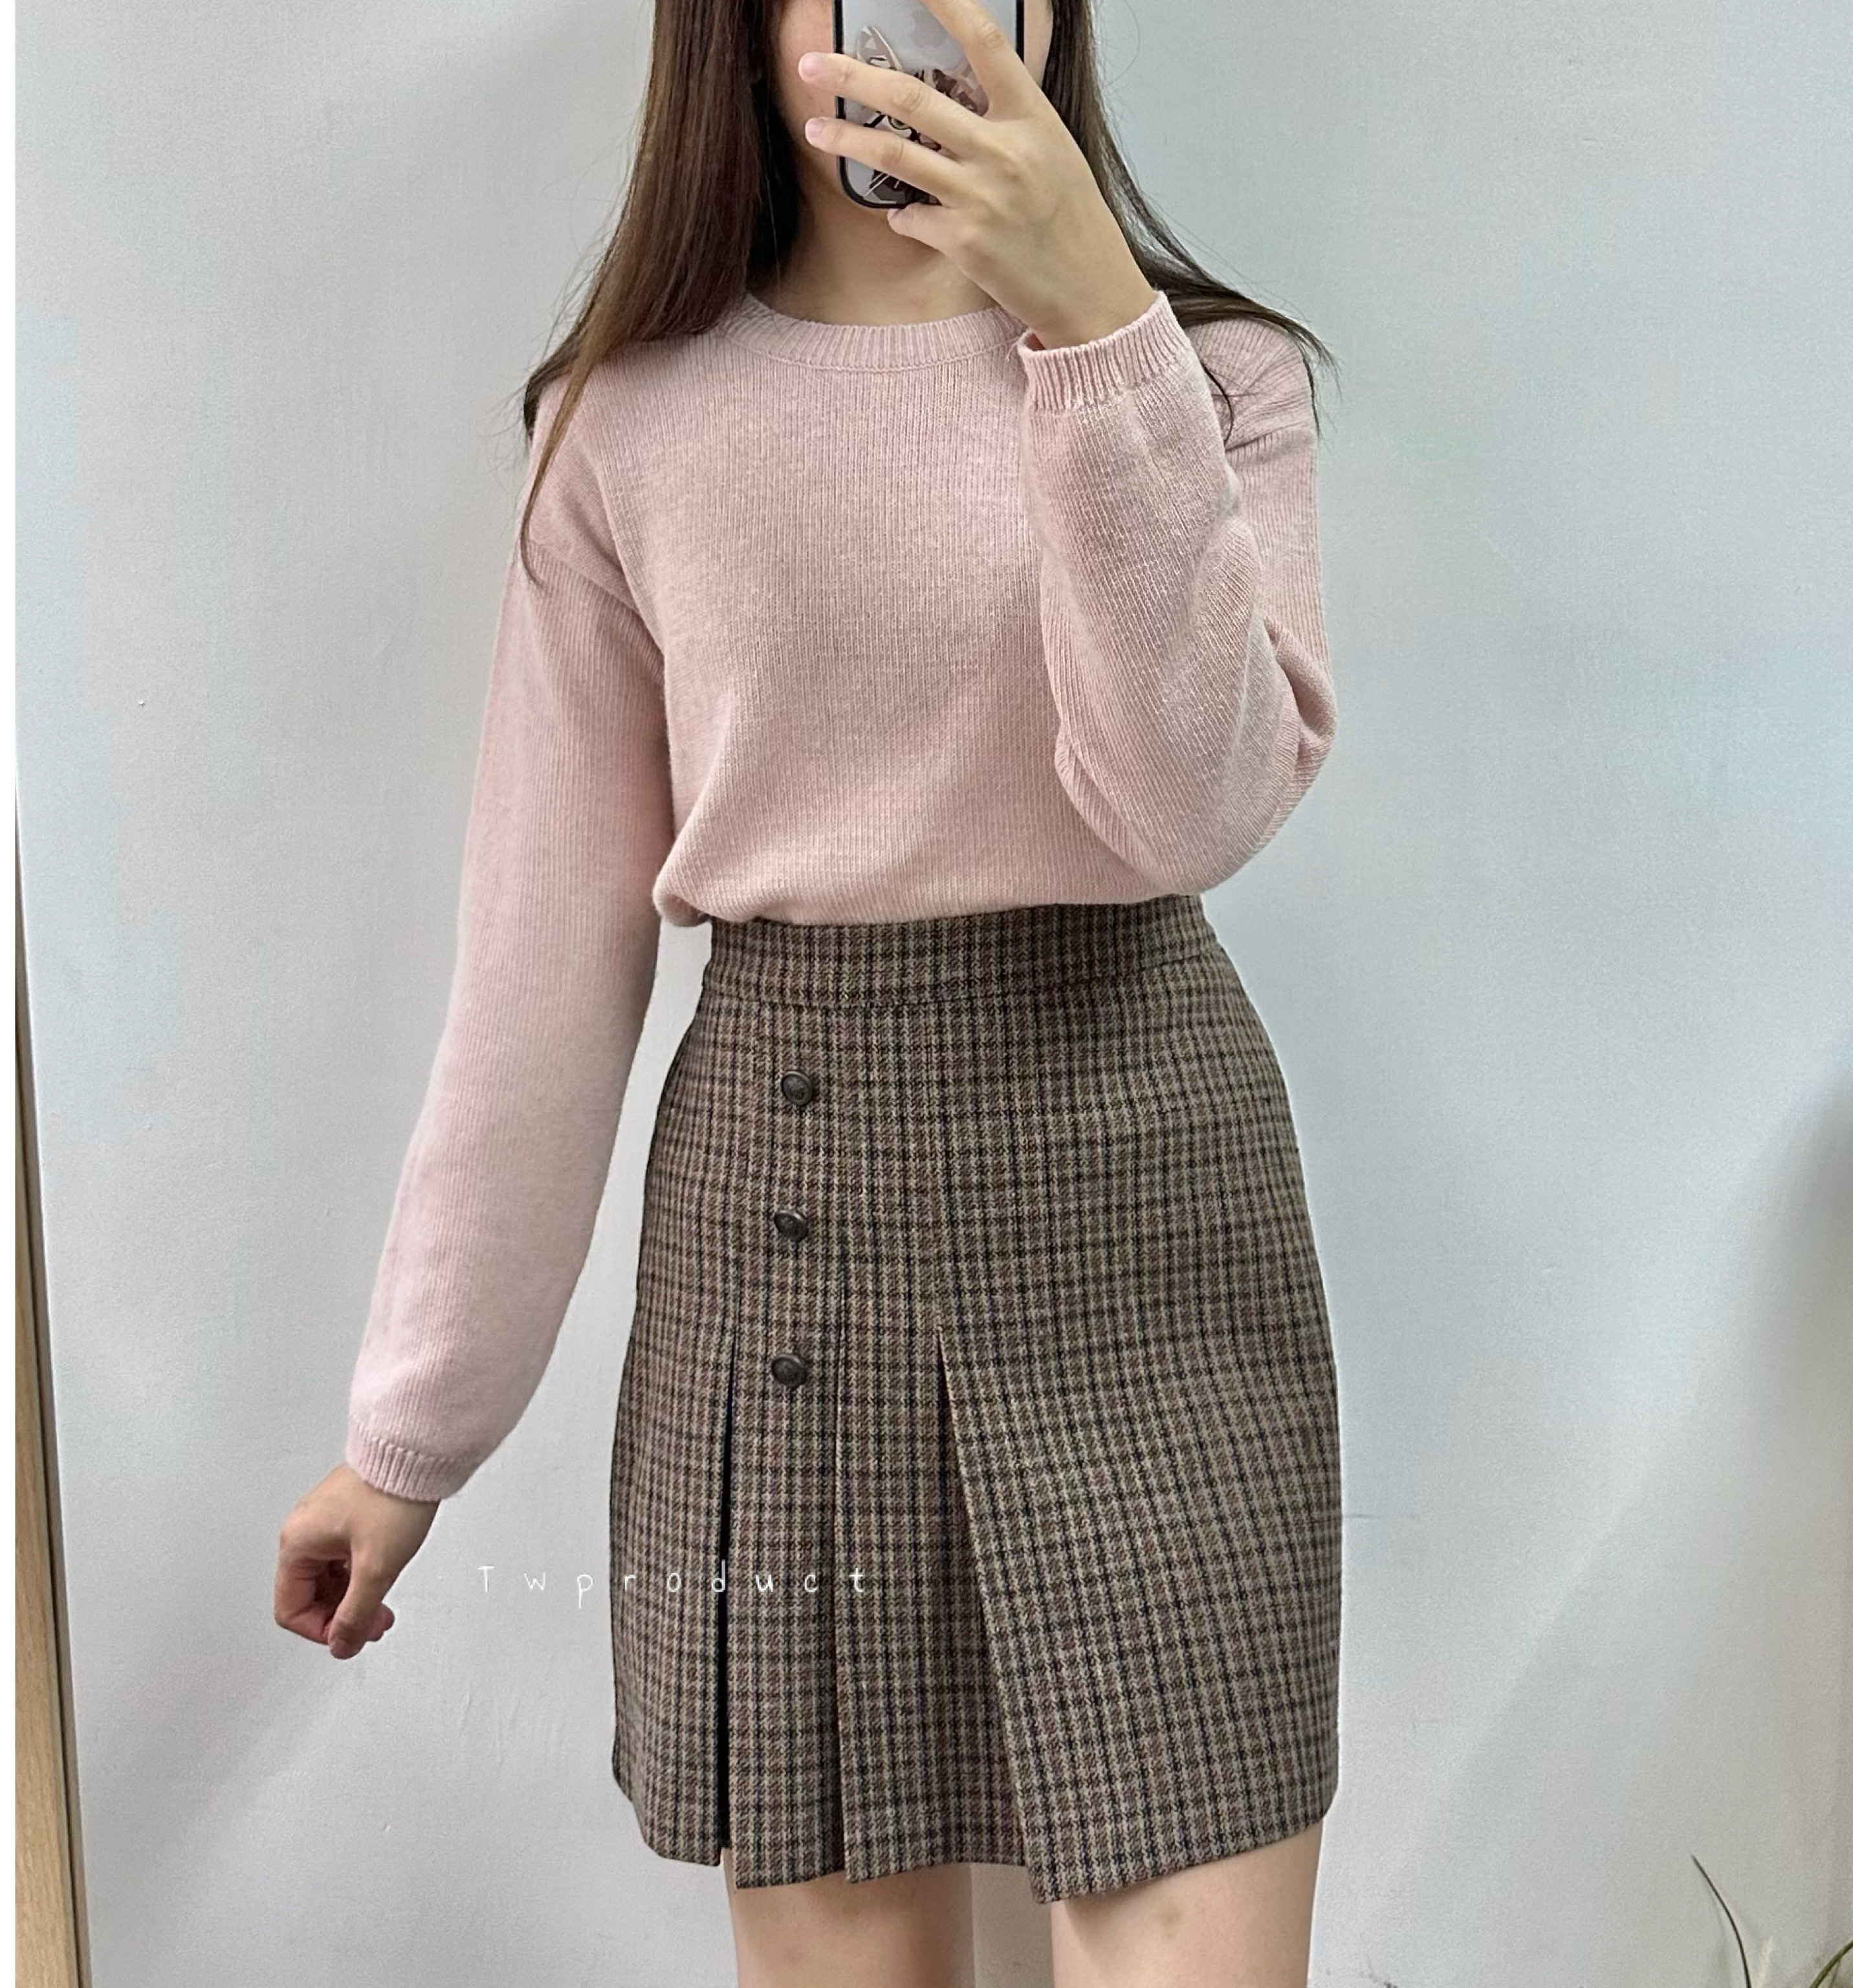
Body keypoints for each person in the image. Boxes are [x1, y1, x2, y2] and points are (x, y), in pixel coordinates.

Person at [274, 1, 1344, 1982]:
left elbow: (1193, 809)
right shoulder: (626, 425)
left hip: (1154, 1227)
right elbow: (539, 970)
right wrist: (410, 1437)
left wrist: (1095, 336)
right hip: (790, 1242)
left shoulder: (1212, 376)